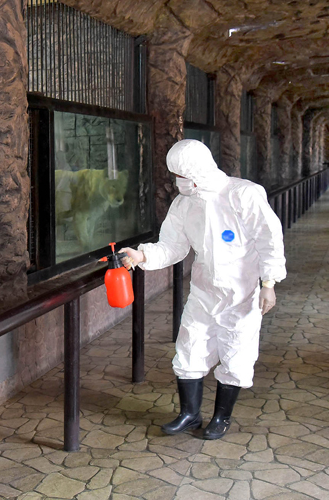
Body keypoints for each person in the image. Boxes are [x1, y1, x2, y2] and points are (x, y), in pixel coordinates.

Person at [120, 139, 286, 440]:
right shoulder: (185, 203)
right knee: (190, 347)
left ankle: (221, 417)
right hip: (204, 290)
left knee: (236, 352)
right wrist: (142, 255)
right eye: (176, 175)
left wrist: (268, 283)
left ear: (199, 169)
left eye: (182, 175)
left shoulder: (243, 194)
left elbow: (269, 239)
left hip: (242, 292)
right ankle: (189, 414)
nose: (179, 181)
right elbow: (173, 246)